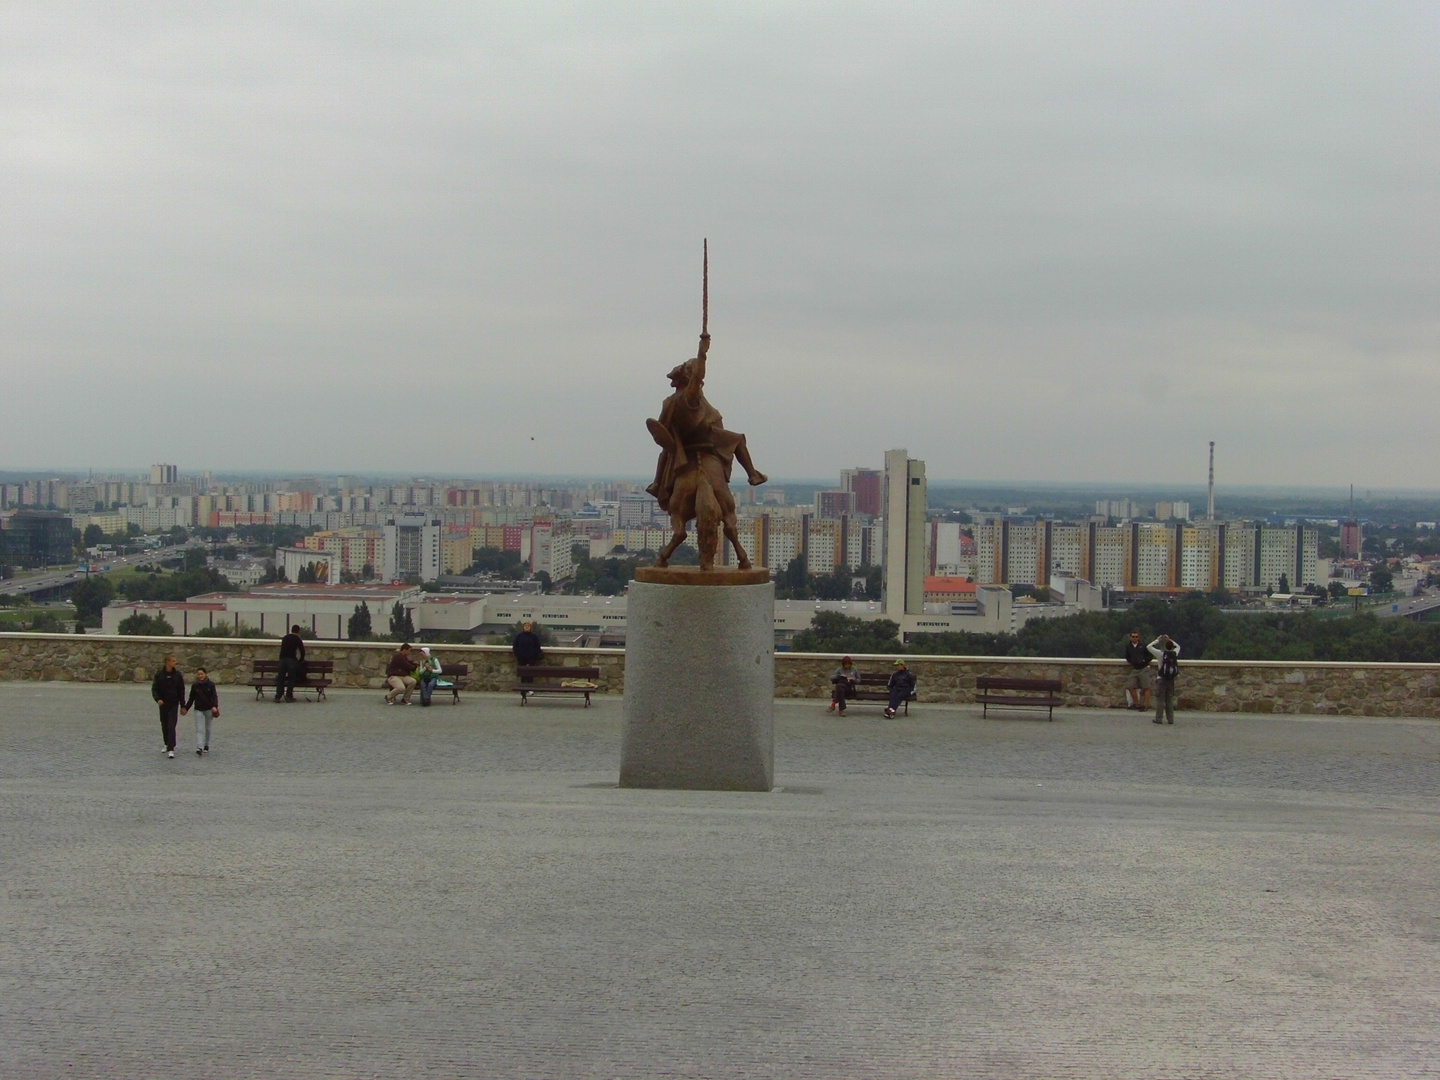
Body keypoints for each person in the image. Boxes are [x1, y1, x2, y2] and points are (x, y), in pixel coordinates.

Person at [151, 653, 185, 759]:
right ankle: (166, 743)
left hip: (174, 704)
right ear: (167, 662)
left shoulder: (178, 675)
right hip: (163, 704)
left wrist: (183, 705)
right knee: (164, 725)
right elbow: (154, 688)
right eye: (173, 661)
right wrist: (158, 699)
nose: (175, 663)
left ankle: (171, 749)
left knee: (171, 726)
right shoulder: (159, 675)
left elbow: (181, 691)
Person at [182, 667, 220, 756]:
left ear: (205, 674)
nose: (200, 676)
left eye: (202, 674)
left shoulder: (211, 684)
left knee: (208, 728)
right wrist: (186, 708)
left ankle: (206, 744)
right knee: (199, 729)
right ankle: (199, 747)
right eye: (198, 674)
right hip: (198, 709)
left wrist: (215, 706)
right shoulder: (195, 686)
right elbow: (191, 698)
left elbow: (214, 696)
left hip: (209, 709)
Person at [1148, 634, 1181, 725]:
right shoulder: (1174, 653)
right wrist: (1170, 639)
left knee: (1160, 699)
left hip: (1161, 678)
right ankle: (1170, 719)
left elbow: (1149, 647)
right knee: (1169, 699)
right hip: (1171, 679)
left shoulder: (1161, 654)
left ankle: (1159, 718)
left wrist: (1157, 640)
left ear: (1165, 646)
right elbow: (1178, 646)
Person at [1123, 631, 1154, 711]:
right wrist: (1132, 662)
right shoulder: (1128, 647)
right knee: (1130, 686)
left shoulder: (1143, 646)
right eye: (1133, 637)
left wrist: (1144, 661)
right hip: (1135, 669)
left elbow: (1150, 656)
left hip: (1143, 668)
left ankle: (1146, 705)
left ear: (1138, 638)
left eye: (1136, 637)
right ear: (1130, 637)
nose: (1135, 638)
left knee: (1146, 687)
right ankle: (1137, 704)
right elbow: (1127, 657)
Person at [275, 624, 305, 702]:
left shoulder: (285, 638)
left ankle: (278, 697)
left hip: (282, 660)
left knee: (280, 678)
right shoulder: (297, 639)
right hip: (291, 660)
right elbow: (302, 650)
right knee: (291, 678)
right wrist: (301, 660)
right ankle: (289, 696)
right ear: (298, 631)